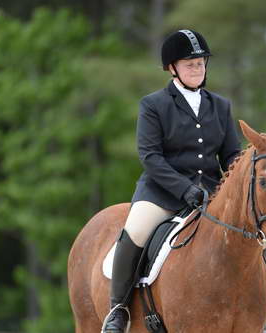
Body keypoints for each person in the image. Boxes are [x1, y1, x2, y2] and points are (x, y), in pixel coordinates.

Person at [102, 29, 241, 333]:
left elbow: (231, 155)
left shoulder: (220, 105)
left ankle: (250, 309)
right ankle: (119, 309)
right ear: (172, 68)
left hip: (212, 195)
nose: (198, 69)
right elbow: (151, 157)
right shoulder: (153, 105)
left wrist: (235, 190)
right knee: (135, 231)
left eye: (201, 63)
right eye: (190, 64)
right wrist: (185, 189)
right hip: (162, 194)